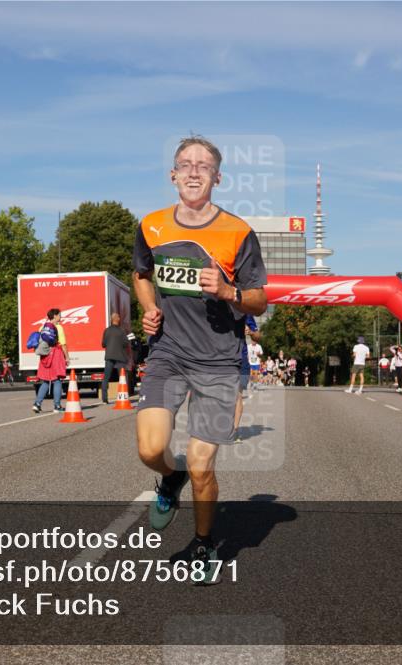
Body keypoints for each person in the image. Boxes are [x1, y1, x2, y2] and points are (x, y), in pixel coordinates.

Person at [133, 135, 267, 585]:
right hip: (168, 352)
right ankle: (169, 481)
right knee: (151, 449)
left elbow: (260, 300)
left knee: (201, 464)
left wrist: (229, 291)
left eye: (203, 165)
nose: (194, 171)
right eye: (185, 164)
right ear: (173, 175)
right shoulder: (150, 225)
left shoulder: (238, 232)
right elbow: (140, 274)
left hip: (218, 360)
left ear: (217, 177)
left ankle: (205, 542)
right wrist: (149, 308)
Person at [33, 308, 68, 413]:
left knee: (45, 381)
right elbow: (63, 344)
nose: (60, 317)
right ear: (55, 316)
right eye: (59, 315)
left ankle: (37, 404)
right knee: (57, 380)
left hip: (45, 357)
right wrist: (67, 357)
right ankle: (57, 406)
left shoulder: (42, 327)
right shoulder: (58, 327)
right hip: (55, 355)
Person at [233, 315, 259, 443]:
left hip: (241, 359)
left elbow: (257, 336)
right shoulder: (215, 304)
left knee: (237, 394)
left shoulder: (245, 311)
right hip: (219, 356)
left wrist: (251, 332)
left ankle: (234, 430)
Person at [101, 312, 130, 404]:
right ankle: (124, 396)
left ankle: (104, 398)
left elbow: (103, 344)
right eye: (119, 317)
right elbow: (126, 344)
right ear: (117, 319)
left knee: (106, 377)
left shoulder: (106, 330)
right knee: (122, 377)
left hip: (109, 356)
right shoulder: (121, 331)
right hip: (120, 357)